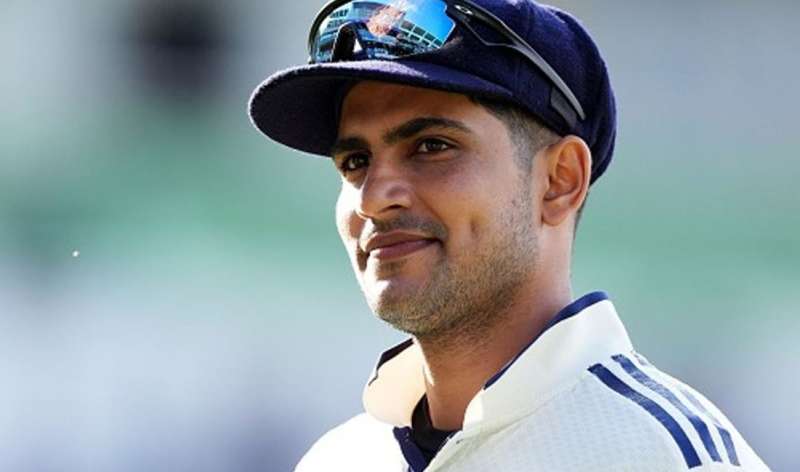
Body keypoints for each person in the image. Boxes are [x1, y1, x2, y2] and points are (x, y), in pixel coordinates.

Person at [248, 0, 770, 470]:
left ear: (560, 180)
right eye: (355, 162)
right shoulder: (339, 458)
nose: (372, 198)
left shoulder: (668, 458)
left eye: (431, 146)